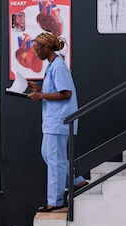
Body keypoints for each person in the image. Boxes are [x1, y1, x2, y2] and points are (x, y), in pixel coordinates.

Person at [27, 31, 87, 213]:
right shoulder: (53, 65)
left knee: (55, 160)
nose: (36, 53)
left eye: (38, 50)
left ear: (46, 47)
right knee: (50, 156)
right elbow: (56, 89)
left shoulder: (58, 66)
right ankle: (78, 182)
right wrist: (39, 88)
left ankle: (56, 201)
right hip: (53, 121)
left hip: (59, 121)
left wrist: (40, 95)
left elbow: (65, 93)